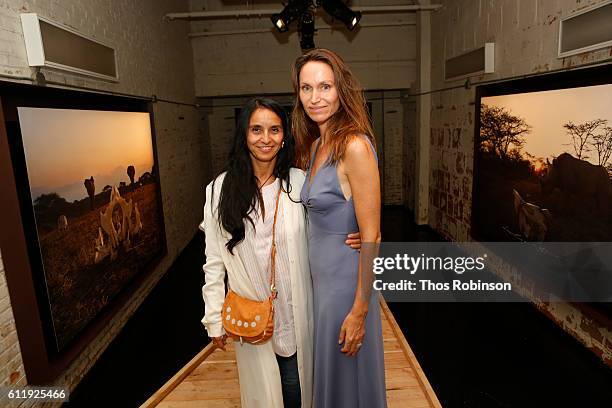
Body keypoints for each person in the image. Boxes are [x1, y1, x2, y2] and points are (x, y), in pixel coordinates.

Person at [199, 97, 360, 408]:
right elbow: (214, 260)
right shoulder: (220, 190)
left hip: (295, 312)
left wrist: (357, 235)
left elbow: (327, 227)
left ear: (284, 136)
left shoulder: (299, 183)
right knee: (264, 396)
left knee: (296, 390)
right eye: (256, 130)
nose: (265, 139)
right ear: (243, 135)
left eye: (274, 130)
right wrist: (213, 318)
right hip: (251, 315)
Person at [293, 49, 387, 407]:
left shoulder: (355, 146)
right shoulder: (317, 145)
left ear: (340, 90)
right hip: (321, 285)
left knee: (349, 383)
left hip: (345, 290)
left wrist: (360, 310)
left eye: (325, 86)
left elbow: (373, 235)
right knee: (332, 381)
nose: (315, 97)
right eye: (306, 88)